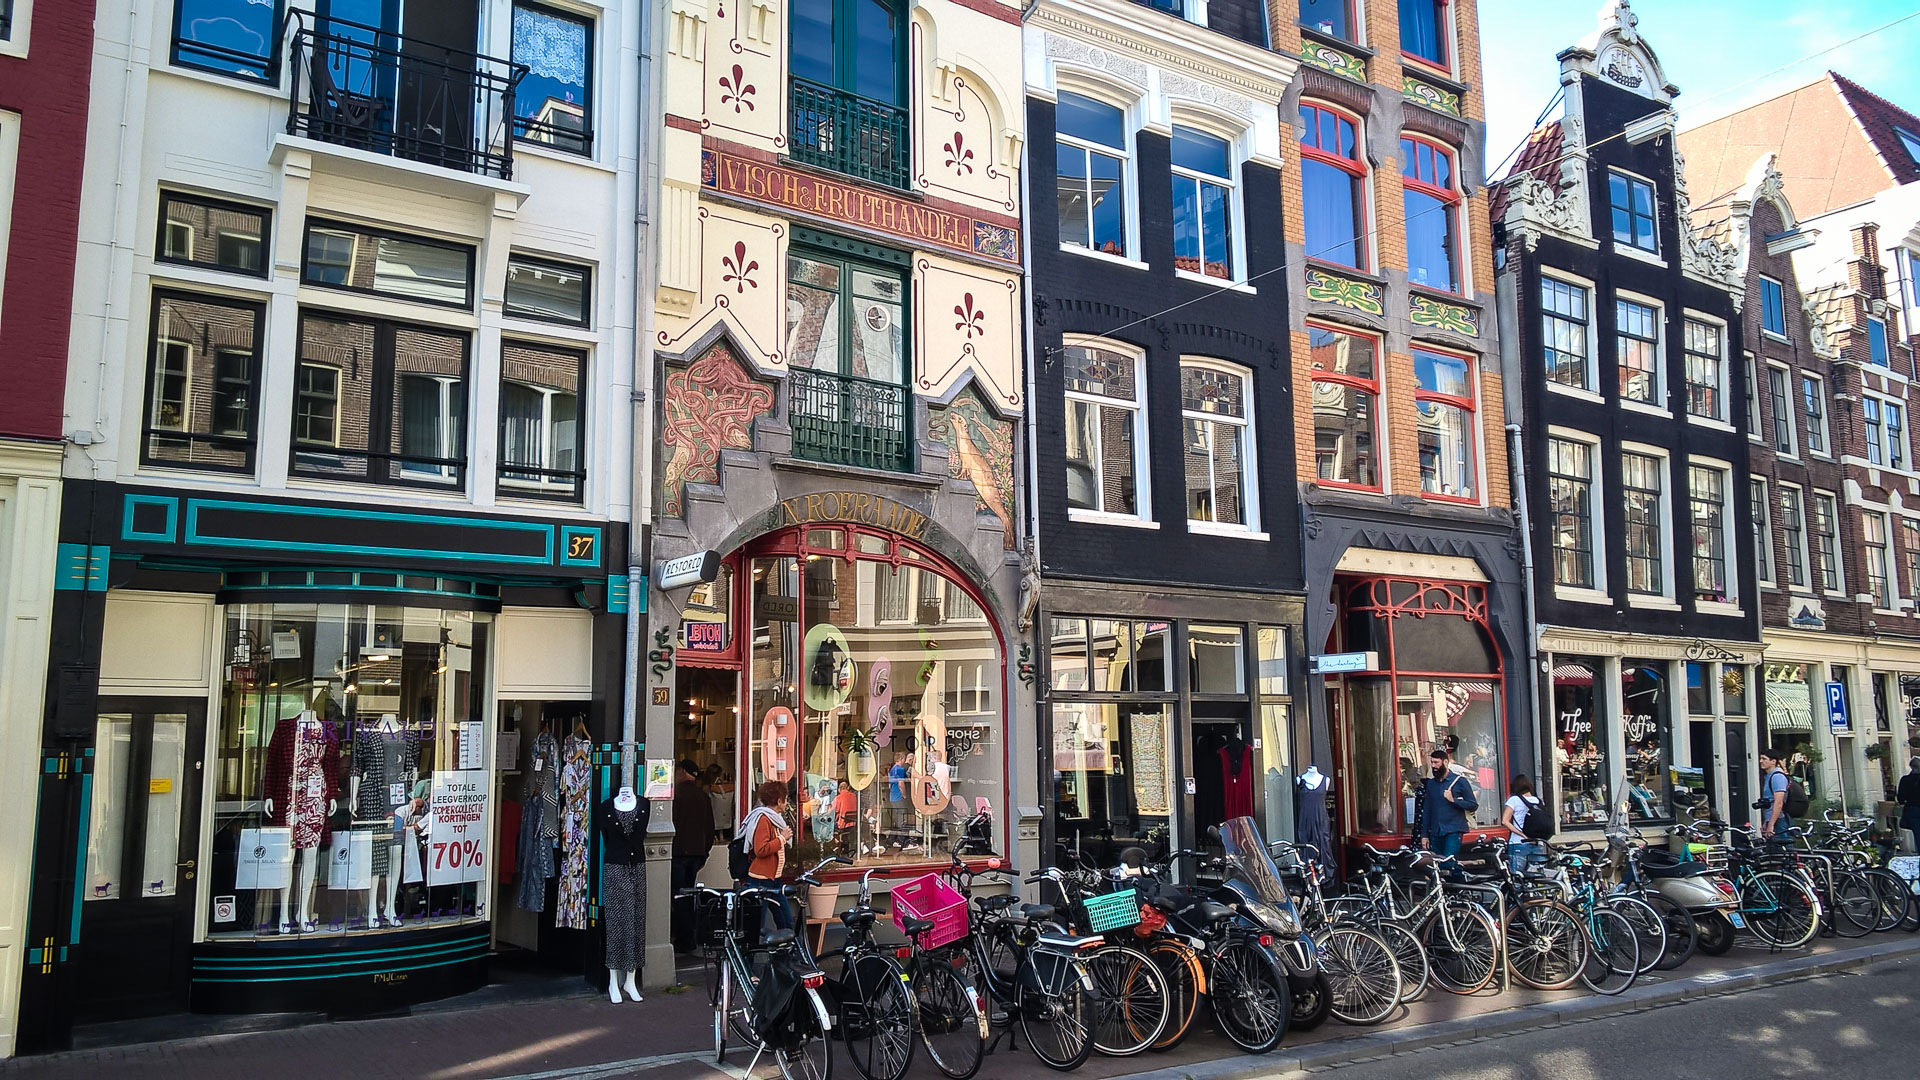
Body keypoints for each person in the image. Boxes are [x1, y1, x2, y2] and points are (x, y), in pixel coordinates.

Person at [670, 759, 715, 953]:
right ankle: (691, 935)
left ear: (681, 771)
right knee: (689, 895)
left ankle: (684, 938)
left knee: (679, 896)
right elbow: (710, 828)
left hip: (678, 852)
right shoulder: (703, 796)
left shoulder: (675, 794)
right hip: (696, 853)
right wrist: (704, 853)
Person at [739, 780, 795, 932]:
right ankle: (752, 949)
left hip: (773, 880)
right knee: (757, 926)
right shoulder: (764, 819)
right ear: (779, 801)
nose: (787, 803)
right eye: (785, 799)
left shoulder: (774, 819)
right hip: (760, 881)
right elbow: (761, 849)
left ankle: (785, 947)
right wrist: (782, 838)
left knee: (786, 923)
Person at [1411, 747, 1477, 863]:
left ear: (1445, 762)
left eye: (1436, 762)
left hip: (1453, 829)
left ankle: (1457, 873)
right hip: (1435, 830)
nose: (1434, 766)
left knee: (1448, 862)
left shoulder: (1460, 781)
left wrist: (1454, 800)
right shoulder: (1431, 784)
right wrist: (1424, 835)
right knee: (1437, 864)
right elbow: (1427, 810)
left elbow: (1473, 805)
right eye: (1432, 762)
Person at [1501, 774, 1545, 874]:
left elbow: (1505, 821)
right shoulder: (1538, 801)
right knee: (1538, 876)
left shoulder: (1514, 800)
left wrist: (1522, 834)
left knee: (1517, 876)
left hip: (1518, 842)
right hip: (1537, 842)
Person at [1757, 747, 1794, 840]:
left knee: (1782, 847)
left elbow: (1778, 802)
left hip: (1779, 820)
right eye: (1760, 758)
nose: (1761, 761)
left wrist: (1771, 824)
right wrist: (1766, 822)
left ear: (1773, 761)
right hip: (1773, 820)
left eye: (1764, 759)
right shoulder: (1769, 776)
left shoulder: (1777, 777)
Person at [1897, 757, 1920, 855]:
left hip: (1912, 810)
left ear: (1911, 767)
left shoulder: (1905, 780)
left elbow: (1901, 798)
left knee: (1918, 836)